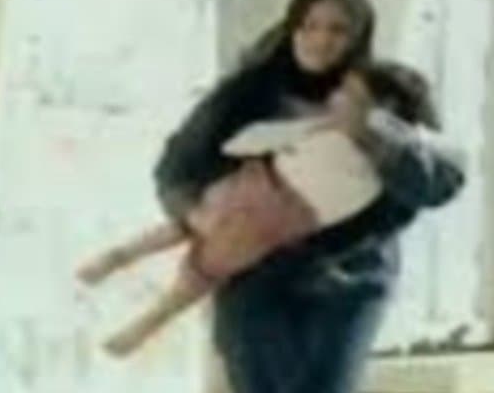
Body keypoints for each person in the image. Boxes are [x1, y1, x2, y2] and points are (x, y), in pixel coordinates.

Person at [152, 0, 465, 393]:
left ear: (359, 40)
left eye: (337, 30)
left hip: (352, 275)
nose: (320, 40)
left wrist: (371, 133)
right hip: (255, 272)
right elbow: (176, 169)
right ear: (292, 29)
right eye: (310, 26)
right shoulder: (246, 96)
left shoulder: (384, 99)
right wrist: (201, 217)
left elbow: (439, 183)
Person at [75, 63, 434, 357]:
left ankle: (149, 321)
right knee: (191, 222)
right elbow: (244, 143)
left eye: (350, 96)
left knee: (207, 268)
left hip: (275, 223)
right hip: (258, 185)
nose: (336, 99)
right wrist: (313, 128)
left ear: (382, 112)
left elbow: (333, 211)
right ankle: (120, 256)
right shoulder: (321, 131)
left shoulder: (375, 175)